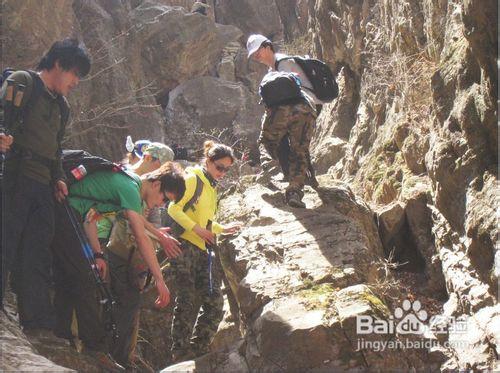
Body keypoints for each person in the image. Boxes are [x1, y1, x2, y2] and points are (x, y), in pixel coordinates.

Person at [51, 162, 184, 370]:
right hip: (64, 211)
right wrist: (159, 279)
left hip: (71, 214)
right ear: (156, 184)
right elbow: (140, 237)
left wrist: (97, 254)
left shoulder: (130, 189)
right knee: (84, 282)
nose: (161, 204)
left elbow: (91, 218)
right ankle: (92, 349)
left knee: (75, 279)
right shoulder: (130, 188)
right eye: (164, 198)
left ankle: (63, 338)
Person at [0, 38, 90, 339]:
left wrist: (60, 177)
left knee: (37, 253)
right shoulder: (22, 82)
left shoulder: (62, 107)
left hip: (43, 186)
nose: (75, 81)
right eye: (74, 73)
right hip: (14, 175)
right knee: (5, 241)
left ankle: (37, 323)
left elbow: (55, 149)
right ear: (57, 64)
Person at [167, 141, 240, 362]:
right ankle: (179, 354)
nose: (223, 173)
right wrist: (197, 229)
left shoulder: (211, 186)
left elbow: (205, 221)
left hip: (201, 249)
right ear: (207, 161)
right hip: (183, 246)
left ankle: (198, 350)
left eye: (227, 170)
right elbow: (173, 208)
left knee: (215, 303)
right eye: (220, 167)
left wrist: (220, 227)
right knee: (187, 299)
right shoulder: (193, 179)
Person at [247, 34, 319, 207]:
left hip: (286, 110)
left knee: (267, 142)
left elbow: (305, 88)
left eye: (258, 51)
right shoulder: (274, 68)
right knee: (299, 150)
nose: (257, 56)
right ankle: (295, 190)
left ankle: (272, 173)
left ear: (267, 46)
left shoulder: (285, 63)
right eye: (254, 55)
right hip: (305, 109)